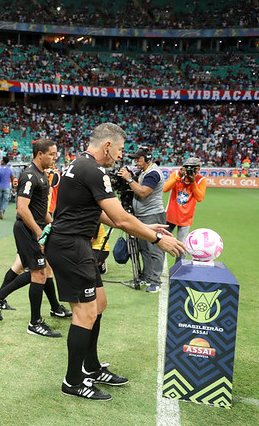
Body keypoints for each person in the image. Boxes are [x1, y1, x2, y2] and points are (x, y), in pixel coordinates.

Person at [45, 123, 185, 401]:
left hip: (75, 243)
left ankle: (91, 367)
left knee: (99, 304)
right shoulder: (94, 171)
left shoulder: (79, 165)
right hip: (71, 246)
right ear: (107, 146)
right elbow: (121, 217)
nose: (121, 156)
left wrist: (148, 229)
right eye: (120, 150)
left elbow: (99, 213)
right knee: (84, 313)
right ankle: (73, 381)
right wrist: (157, 240)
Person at [0, 139, 68, 337]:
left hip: (36, 228)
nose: (55, 158)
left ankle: (50, 308)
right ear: (39, 154)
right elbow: (22, 209)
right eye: (51, 154)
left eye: (55, 154)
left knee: (42, 271)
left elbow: (40, 210)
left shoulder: (42, 175)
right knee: (39, 273)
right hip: (26, 230)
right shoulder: (29, 175)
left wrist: (52, 225)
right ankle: (34, 322)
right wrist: (38, 232)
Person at [117, 147, 166, 293]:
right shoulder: (144, 172)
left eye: (138, 159)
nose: (136, 162)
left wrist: (129, 178)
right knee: (144, 247)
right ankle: (146, 276)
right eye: (135, 159)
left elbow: (143, 192)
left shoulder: (153, 173)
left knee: (155, 248)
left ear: (147, 158)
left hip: (152, 214)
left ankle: (156, 281)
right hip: (143, 214)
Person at [164, 156, 207, 264]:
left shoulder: (201, 180)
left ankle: (179, 269)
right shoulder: (177, 174)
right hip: (170, 215)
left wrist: (193, 183)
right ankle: (157, 267)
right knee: (163, 242)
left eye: (193, 168)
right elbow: (165, 189)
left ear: (198, 169)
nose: (190, 170)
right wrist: (178, 177)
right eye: (188, 167)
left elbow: (199, 198)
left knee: (182, 245)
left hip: (185, 219)